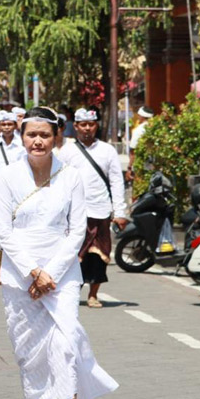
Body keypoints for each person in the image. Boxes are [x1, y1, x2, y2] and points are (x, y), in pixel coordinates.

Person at [0, 107, 118, 399]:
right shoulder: (6, 176)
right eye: (31, 134)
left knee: (65, 347)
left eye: (44, 135)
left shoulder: (72, 176)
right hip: (19, 275)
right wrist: (34, 271)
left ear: (56, 137)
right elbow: (2, 230)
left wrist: (52, 273)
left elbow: (77, 228)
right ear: (21, 136)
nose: (37, 140)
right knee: (29, 351)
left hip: (62, 276)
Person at [57, 108, 128, 308]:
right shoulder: (67, 151)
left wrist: (120, 211)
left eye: (91, 124)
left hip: (101, 210)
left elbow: (116, 181)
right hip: (75, 213)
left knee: (99, 255)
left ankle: (93, 295)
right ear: (76, 126)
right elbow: (58, 182)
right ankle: (71, 293)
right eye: (83, 125)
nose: (87, 129)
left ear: (96, 125)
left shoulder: (108, 151)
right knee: (74, 255)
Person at [127, 106, 154, 181]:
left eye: (139, 115)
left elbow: (133, 152)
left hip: (141, 167)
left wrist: (129, 168)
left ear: (142, 116)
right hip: (155, 167)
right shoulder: (156, 128)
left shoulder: (139, 130)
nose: (138, 117)